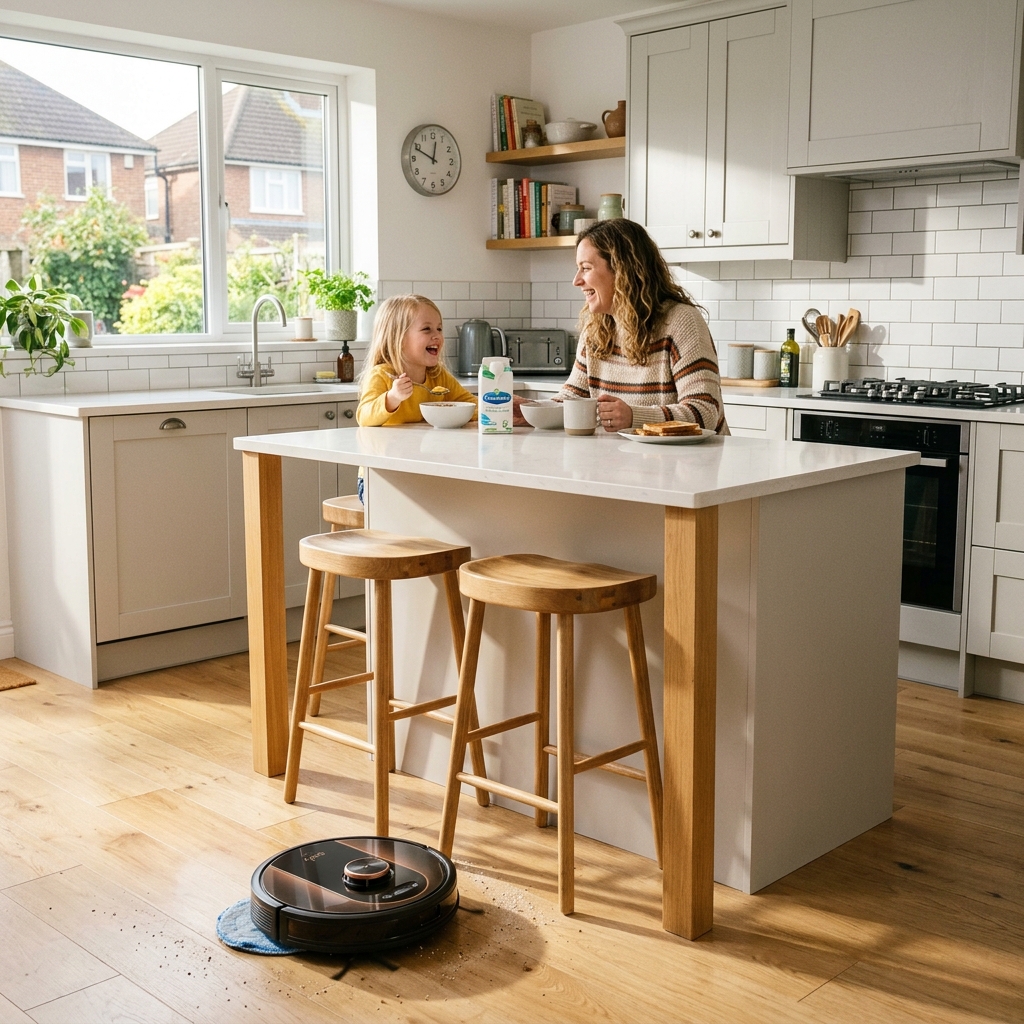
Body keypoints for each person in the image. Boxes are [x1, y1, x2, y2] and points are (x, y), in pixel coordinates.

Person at [561, 219, 729, 435]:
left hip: (691, 463)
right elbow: (572, 398)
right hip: (627, 462)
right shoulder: (596, 329)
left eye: (586, 268)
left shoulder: (681, 322)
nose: (576, 280)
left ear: (622, 270)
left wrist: (634, 417)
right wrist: (526, 409)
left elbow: (704, 413)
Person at [357, 294, 477, 426]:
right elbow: (364, 417)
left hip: (427, 445)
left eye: (439, 329)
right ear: (399, 338)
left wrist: (495, 408)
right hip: (390, 446)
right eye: (427, 329)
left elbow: (470, 405)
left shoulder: (438, 376)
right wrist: (392, 398)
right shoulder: (382, 375)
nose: (437, 336)